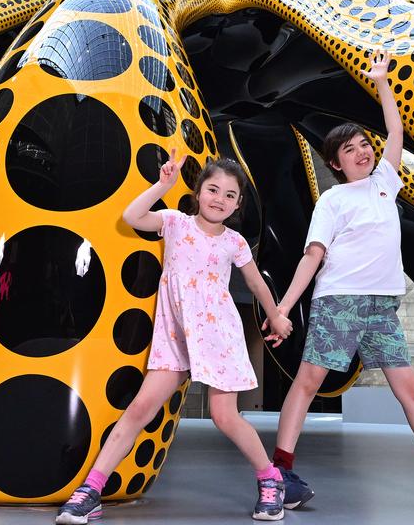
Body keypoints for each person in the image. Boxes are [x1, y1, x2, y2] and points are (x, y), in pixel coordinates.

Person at [268, 51, 414, 517]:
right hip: (339, 302)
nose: (362, 151)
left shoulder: (384, 183)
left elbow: (395, 131)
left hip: (382, 307)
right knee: (307, 384)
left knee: (411, 392)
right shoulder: (335, 200)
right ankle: (280, 474)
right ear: (336, 164)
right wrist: (281, 308)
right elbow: (311, 257)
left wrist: (381, 83)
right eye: (349, 150)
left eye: (363, 144)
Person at [56, 153, 294, 524]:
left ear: (237, 204)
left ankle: (270, 480)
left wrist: (276, 315)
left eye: (229, 195)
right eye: (212, 189)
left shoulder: (234, 242)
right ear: (199, 192)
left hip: (217, 334)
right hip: (174, 333)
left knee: (224, 416)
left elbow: (255, 282)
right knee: (138, 409)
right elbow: (132, 217)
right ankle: (91, 490)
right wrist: (163, 185)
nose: (219, 199)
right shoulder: (174, 223)